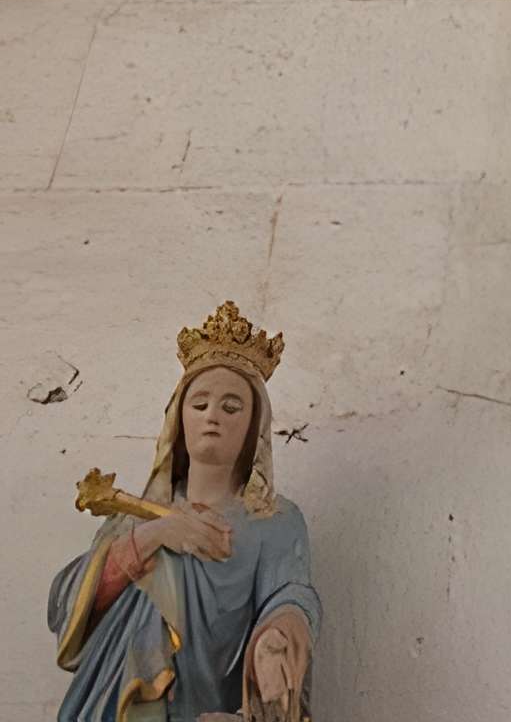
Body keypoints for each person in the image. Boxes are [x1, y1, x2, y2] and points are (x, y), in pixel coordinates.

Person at [48, 301, 319, 720]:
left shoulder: (274, 521)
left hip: (207, 704)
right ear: (179, 418)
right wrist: (154, 536)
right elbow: (67, 605)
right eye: (199, 404)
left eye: (231, 407)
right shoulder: (137, 517)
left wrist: (278, 637)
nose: (213, 416)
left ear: (253, 427)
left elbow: (289, 595)